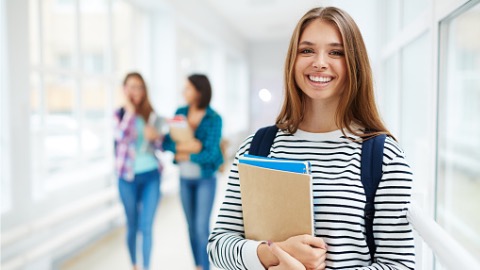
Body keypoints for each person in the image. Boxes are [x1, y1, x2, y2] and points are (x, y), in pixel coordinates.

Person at [207, 6, 415, 270]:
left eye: (335, 52)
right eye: (306, 50)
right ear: (292, 61)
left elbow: (400, 265)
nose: (319, 62)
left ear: (354, 63)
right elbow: (218, 246)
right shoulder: (257, 148)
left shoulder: (383, 157)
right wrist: (274, 253)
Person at [163, 74, 223, 270]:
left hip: (205, 179)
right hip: (184, 179)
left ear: (199, 92)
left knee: (201, 227)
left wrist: (185, 153)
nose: (183, 92)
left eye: (188, 88)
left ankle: (205, 266)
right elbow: (168, 142)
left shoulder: (214, 118)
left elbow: (211, 152)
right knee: (190, 227)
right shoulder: (179, 113)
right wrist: (191, 148)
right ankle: (197, 265)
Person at [114, 72, 166, 270]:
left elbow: (160, 147)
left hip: (151, 175)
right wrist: (129, 112)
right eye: (132, 87)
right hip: (127, 178)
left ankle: (146, 267)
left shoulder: (150, 114)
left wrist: (155, 137)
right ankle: (134, 265)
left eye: (140, 87)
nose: (136, 91)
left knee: (146, 226)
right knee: (132, 225)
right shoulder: (119, 114)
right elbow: (120, 137)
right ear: (124, 89)